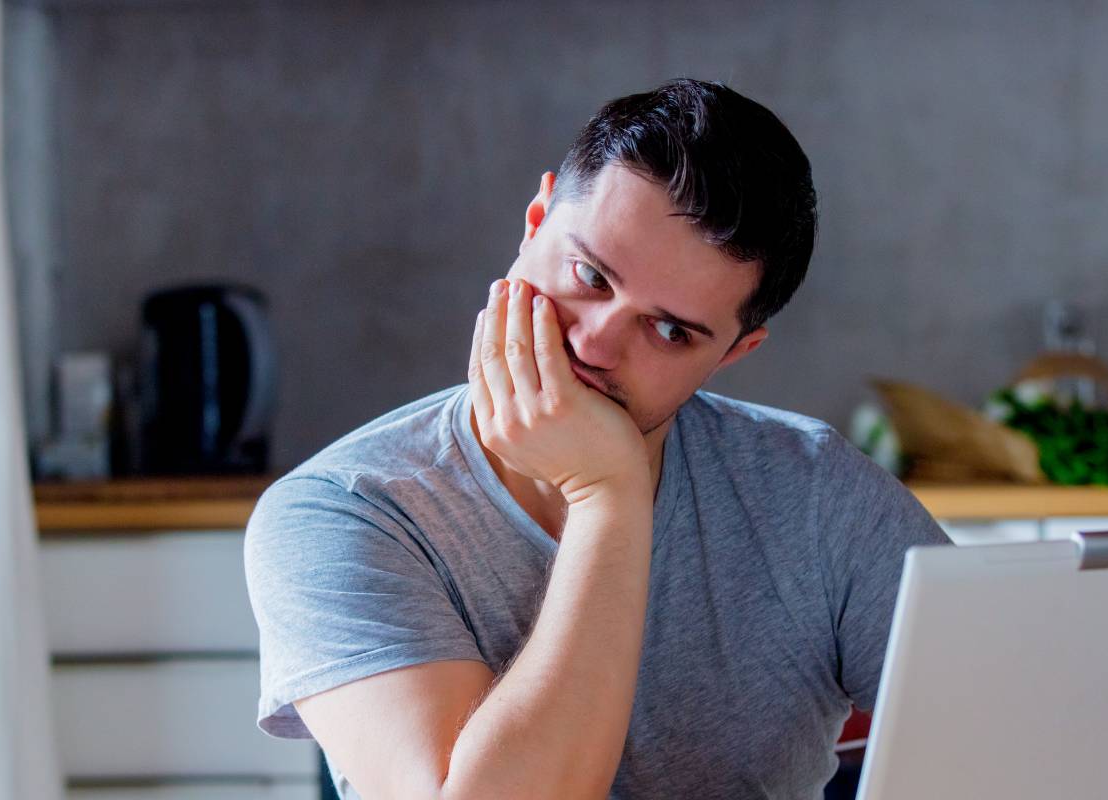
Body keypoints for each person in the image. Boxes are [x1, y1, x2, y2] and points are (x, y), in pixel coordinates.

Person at [244, 78, 950, 800]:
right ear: (536, 220)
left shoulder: (817, 494)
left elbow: (1027, 728)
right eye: (589, 275)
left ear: (734, 353)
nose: (595, 343)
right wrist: (606, 495)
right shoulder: (342, 512)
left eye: (670, 330)